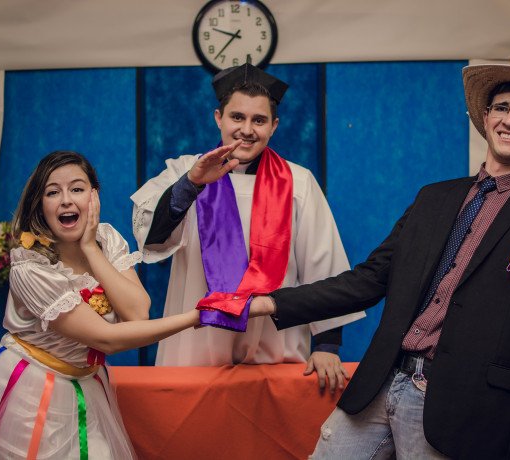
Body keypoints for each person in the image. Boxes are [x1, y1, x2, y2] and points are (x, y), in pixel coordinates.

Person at [249, 56, 510, 459]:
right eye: (502, 108)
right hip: (380, 383)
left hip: (464, 411)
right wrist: (270, 303)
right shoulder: (433, 198)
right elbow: (368, 280)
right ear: (486, 117)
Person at [0, 151, 200, 459]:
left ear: (94, 196)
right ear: (40, 204)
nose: (66, 200)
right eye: (53, 192)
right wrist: (196, 317)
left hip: (85, 384)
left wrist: (91, 249)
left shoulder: (106, 239)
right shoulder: (30, 266)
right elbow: (107, 339)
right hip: (31, 390)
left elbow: (137, 313)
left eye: (77, 189)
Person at [131, 63, 365, 392]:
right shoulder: (185, 171)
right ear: (219, 118)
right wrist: (192, 184)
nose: (246, 129)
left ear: (274, 126)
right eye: (237, 117)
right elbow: (152, 237)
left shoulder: (298, 182)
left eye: (259, 120)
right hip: (197, 350)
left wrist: (327, 345)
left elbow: (323, 264)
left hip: (274, 351)